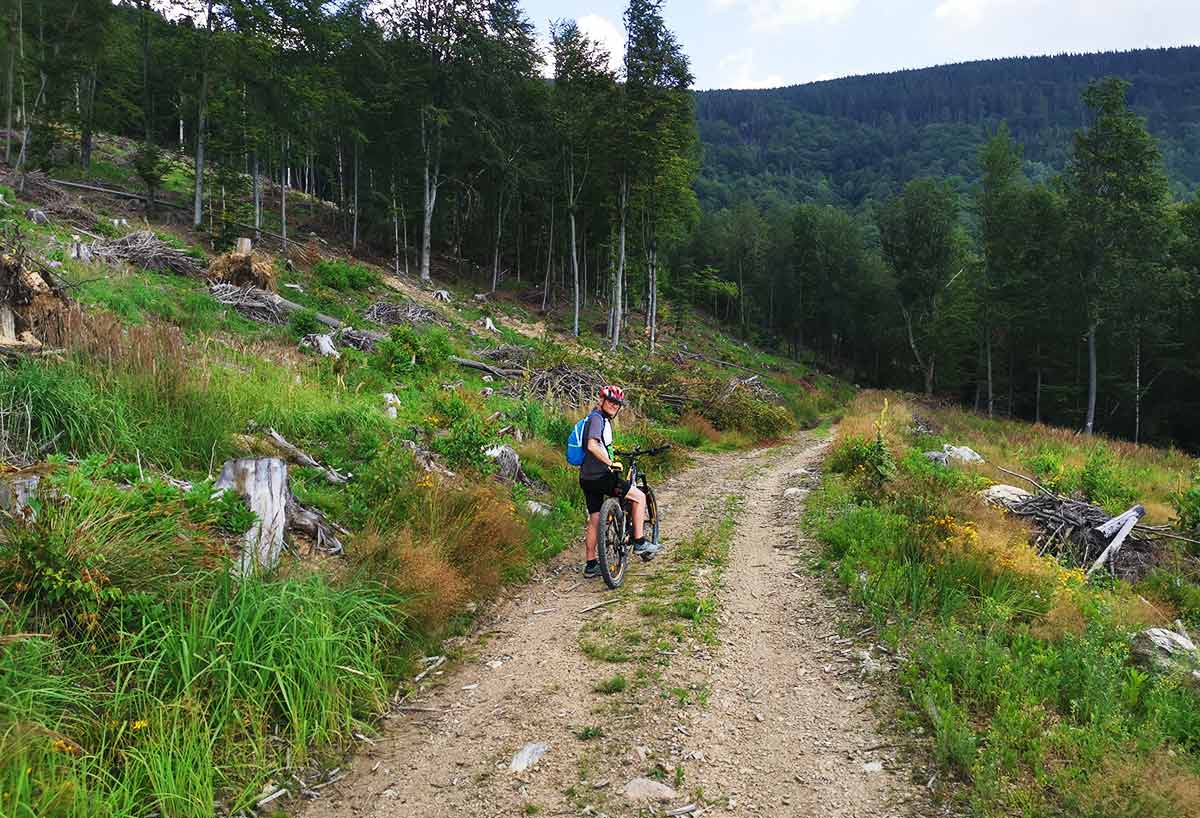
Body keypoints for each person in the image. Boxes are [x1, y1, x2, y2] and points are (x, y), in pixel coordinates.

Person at [578, 385, 659, 578]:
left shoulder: (591, 417)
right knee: (638, 496)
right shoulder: (598, 419)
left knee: (595, 519)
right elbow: (592, 445)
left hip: (586, 478)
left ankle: (591, 565)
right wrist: (610, 462)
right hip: (600, 476)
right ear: (601, 400)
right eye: (611, 401)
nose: (614, 406)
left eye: (617, 404)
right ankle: (639, 542)